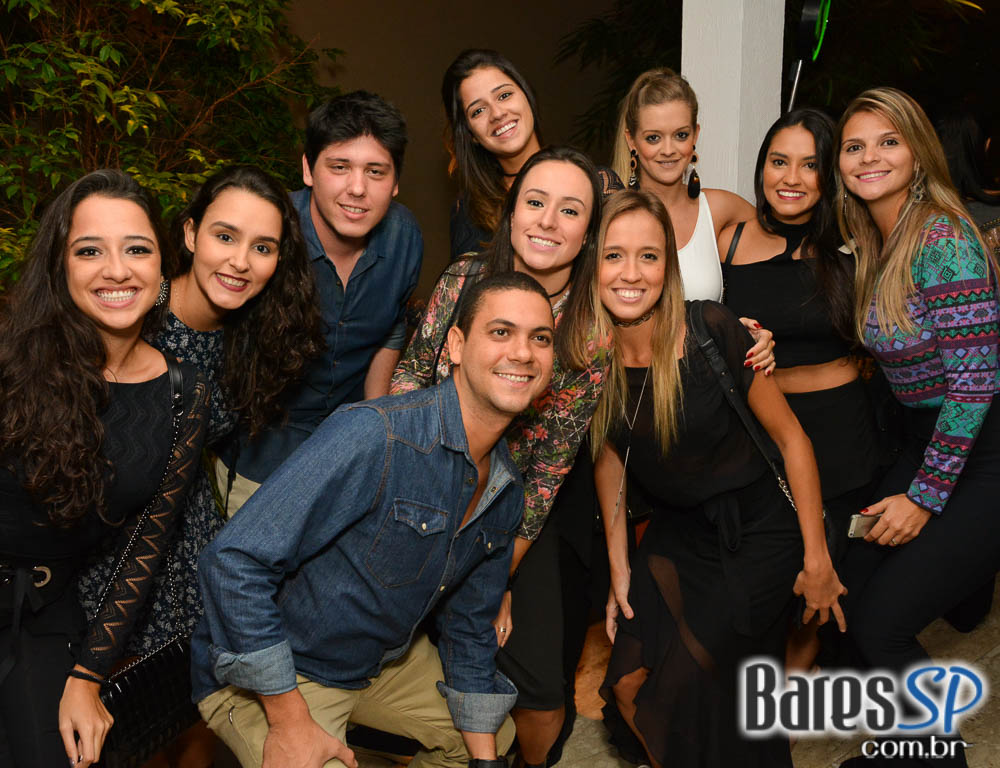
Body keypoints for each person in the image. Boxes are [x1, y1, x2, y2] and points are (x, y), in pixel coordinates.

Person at [192, 272, 556, 768]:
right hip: (281, 669)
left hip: (379, 663)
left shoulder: (506, 489)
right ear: (455, 344)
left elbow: (470, 627)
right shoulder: (378, 435)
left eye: (541, 338)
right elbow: (233, 561)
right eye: (501, 332)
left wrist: (485, 762)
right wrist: (289, 720)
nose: (523, 352)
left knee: (491, 737)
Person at [593, 189, 845, 768]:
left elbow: (792, 440)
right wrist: (618, 567)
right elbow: (610, 460)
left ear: (669, 266)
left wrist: (817, 560)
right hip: (679, 532)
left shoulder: (709, 328)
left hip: (758, 532)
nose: (631, 273)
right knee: (628, 685)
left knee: (684, 693)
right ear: (593, 264)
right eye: (613, 255)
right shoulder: (589, 355)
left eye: (649, 256)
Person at [393, 145, 610, 768]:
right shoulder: (464, 278)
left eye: (571, 210)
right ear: (512, 211)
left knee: (538, 694)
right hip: (420, 490)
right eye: (535, 202)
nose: (548, 221)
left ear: (589, 232)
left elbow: (546, 475)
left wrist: (497, 576)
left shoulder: (589, 331)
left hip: (512, 519)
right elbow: (411, 375)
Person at [0, 170, 209, 768]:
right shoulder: (10, 361)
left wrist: (88, 676)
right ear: (60, 267)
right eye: (90, 251)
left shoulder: (184, 393)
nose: (117, 270)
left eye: (136, 249)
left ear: (162, 266)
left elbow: (145, 547)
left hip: (43, 611)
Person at [834, 87, 1000, 768]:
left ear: (918, 151)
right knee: (850, 585)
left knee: (882, 622)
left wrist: (924, 497)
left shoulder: (943, 238)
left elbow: (976, 384)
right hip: (924, 438)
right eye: (854, 146)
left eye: (888, 141)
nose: (869, 157)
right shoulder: (882, 236)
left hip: (982, 450)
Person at [718, 108, 883, 667]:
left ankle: (784, 708)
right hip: (758, 435)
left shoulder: (853, 243)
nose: (790, 178)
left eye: (810, 165)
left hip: (838, 437)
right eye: (778, 161)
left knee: (820, 585)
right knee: (765, 584)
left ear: (829, 174)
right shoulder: (729, 240)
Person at [216, 90, 423, 513]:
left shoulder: (404, 237)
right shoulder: (268, 231)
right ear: (308, 169)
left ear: (396, 181)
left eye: (376, 171)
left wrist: (375, 434)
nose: (357, 188)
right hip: (258, 457)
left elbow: (391, 329)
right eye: (339, 167)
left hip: (348, 458)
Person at [442, 49, 622, 258]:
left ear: (527, 96)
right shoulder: (470, 212)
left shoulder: (598, 185)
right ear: (470, 134)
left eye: (504, 95)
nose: (497, 114)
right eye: (478, 111)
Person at [612, 67, 755, 302]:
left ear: (695, 135)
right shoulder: (611, 214)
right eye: (653, 138)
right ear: (632, 140)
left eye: (680, 135)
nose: (668, 150)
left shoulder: (720, 208)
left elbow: (783, 240)